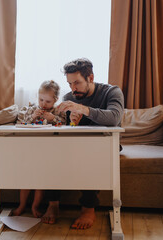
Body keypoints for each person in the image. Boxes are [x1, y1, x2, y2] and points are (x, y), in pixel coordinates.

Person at [41, 58, 124, 229]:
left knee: (89, 156)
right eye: (70, 83)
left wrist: (83, 109)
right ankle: (53, 204)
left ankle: (88, 208)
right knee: (50, 152)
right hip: (77, 143)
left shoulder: (112, 92)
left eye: (77, 83)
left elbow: (114, 118)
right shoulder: (69, 97)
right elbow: (66, 129)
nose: (73, 89)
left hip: (106, 143)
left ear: (90, 78)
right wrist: (72, 122)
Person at [14, 80, 66, 217]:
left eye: (48, 101)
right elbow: (21, 123)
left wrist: (53, 118)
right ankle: (21, 206)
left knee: (40, 181)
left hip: (48, 150)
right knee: (26, 180)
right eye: (41, 99)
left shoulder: (58, 111)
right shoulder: (31, 109)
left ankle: (34, 207)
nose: (43, 104)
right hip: (31, 148)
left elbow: (65, 125)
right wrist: (33, 117)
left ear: (55, 100)